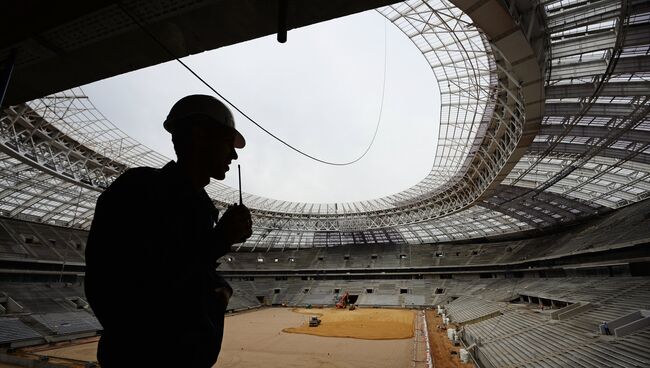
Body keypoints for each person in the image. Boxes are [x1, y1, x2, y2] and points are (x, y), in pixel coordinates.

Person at [84, 95, 253, 367]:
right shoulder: (139, 191)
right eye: (227, 142)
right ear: (199, 135)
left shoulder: (201, 209)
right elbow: (136, 290)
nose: (233, 155)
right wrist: (217, 246)